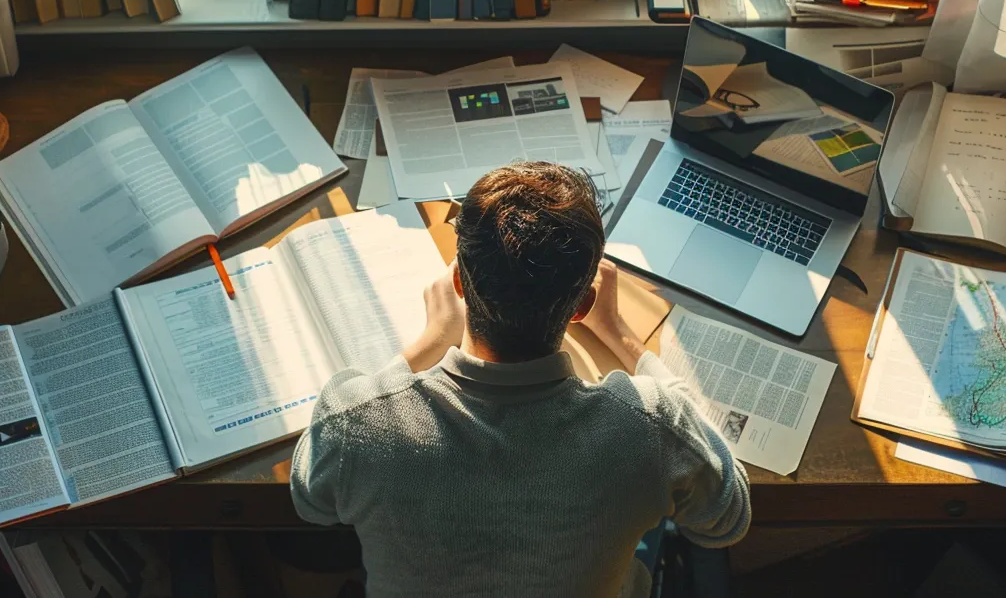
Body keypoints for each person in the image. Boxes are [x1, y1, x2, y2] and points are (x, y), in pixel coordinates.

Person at [290, 162, 751, 596]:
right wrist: (623, 337)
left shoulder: (357, 423)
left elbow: (312, 501)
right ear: (581, 308)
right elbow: (727, 520)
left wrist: (426, 344)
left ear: (457, 286)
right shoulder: (650, 427)